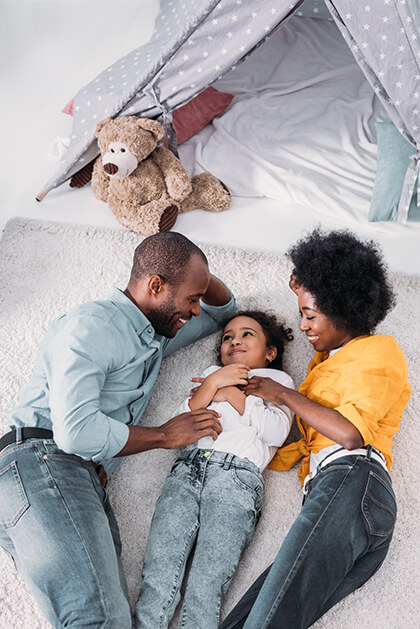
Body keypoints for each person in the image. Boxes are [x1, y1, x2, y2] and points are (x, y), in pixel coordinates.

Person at [0, 232, 237, 629]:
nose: (196, 310)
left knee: (107, 621)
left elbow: (224, 311)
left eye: (197, 299)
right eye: (190, 299)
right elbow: (75, 432)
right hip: (41, 463)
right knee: (100, 620)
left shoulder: (154, 337)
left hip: (64, 477)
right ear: (155, 285)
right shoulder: (93, 325)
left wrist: (196, 272)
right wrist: (163, 436)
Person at [220, 229, 411, 629]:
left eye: (310, 315)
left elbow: (350, 434)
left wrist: (283, 395)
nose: (303, 325)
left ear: (343, 310)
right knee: (248, 620)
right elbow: (302, 439)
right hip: (341, 499)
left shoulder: (380, 351)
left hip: (354, 481)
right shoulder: (321, 366)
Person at [135, 311, 295, 629]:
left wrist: (229, 392)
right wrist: (213, 384)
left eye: (247, 334)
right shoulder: (212, 374)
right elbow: (182, 421)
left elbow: (276, 432)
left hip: (235, 479)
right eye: (227, 337)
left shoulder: (276, 382)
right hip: (187, 470)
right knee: (159, 570)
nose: (234, 340)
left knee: (207, 581)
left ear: (270, 352)